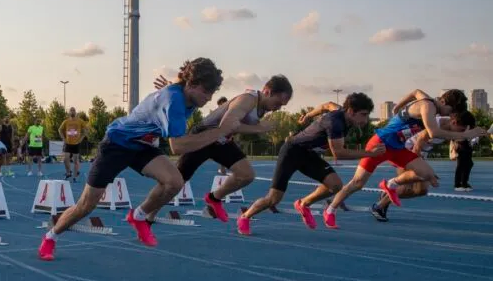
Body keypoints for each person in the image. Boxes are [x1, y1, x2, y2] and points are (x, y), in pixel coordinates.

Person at [38, 58, 225, 261]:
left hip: (140, 145)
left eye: (212, 93)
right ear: (191, 85)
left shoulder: (185, 94)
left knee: (175, 181)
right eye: (206, 92)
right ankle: (50, 237)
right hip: (117, 143)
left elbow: (175, 90)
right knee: (86, 205)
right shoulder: (174, 101)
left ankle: (138, 216)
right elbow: (177, 146)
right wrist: (219, 132)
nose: (208, 98)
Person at [327, 89, 487, 228]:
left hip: (398, 147)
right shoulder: (428, 106)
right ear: (443, 101)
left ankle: (390, 184)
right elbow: (433, 133)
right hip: (381, 144)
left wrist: (398, 106)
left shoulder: (428, 100)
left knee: (427, 174)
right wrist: (465, 135)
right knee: (357, 183)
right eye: (449, 110)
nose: (448, 115)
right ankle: (331, 210)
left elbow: (415, 91)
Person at [236, 93, 383, 235]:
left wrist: (308, 115)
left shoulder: (340, 111)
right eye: (363, 114)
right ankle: (245, 217)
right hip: (291, 152)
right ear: (351, 111)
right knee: (273, 198)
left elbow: (327, 105)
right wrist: (370, 153)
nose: (365, 120)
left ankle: (303, 204)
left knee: (336, 185)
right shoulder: (335, 122)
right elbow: (339, 153)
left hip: (308, 154)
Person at [155, 75, 292, 223]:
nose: (278, 108)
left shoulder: (263, 106)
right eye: (278, 103)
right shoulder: (248, 99)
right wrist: (259, 128)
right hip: (204, 137)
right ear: (267, 91)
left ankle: (214, 198)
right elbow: (227, 125)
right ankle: (147, 213)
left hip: (221, 141)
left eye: (282, 106)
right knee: (176, 182)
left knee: (246, 175)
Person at [370, 111, 476, 222]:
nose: (462, 134)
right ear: (454, 122)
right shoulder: (435, 125)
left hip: (417, 155)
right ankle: (378, 207)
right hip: (403, 151)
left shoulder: (450, 126)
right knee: (407, 188)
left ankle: (387, 192)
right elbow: (416, 148)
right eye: (462, 130)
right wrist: (426, 171)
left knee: (421, 190)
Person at [58, 107, 89, 181]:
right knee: (65, 159)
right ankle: (68, 173)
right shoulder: (66, 121)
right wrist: (63, 138)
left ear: (75, 112)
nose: (72, 112)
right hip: (68, 143)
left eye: (73, 110)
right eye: (71, 110)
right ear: (69, 112)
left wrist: (81, 138)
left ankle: (74, 177)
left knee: (75, 161)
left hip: (76, 143)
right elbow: (60, 130)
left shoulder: (80, 121)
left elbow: (86, 129)